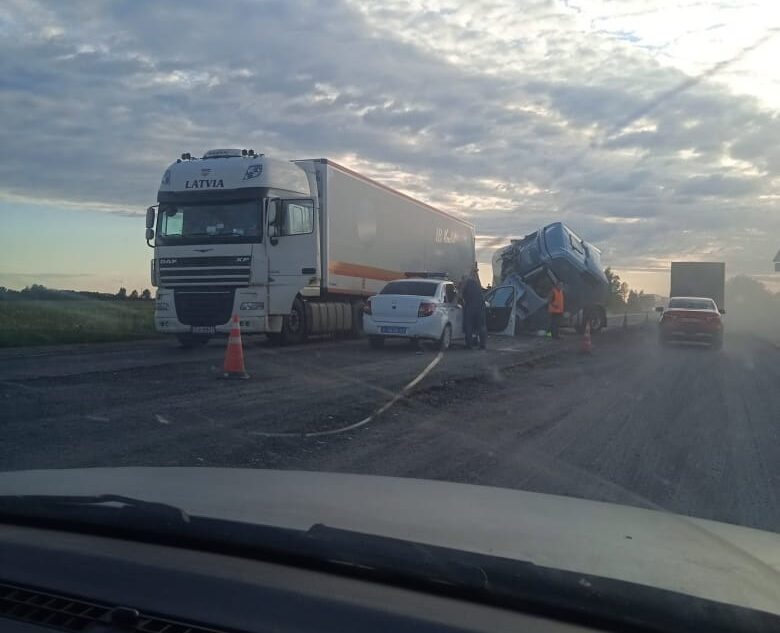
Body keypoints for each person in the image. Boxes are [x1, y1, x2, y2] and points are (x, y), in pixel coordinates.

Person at [462, 266, 486, 350]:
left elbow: (459, 295)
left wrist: (454, 303)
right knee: (481, 326)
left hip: (470, 306)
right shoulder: (476, 283)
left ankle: (469, 345)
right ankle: (482, 345)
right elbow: (481, 291)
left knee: (469, 325)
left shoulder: (465, 283)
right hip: (480, 306)